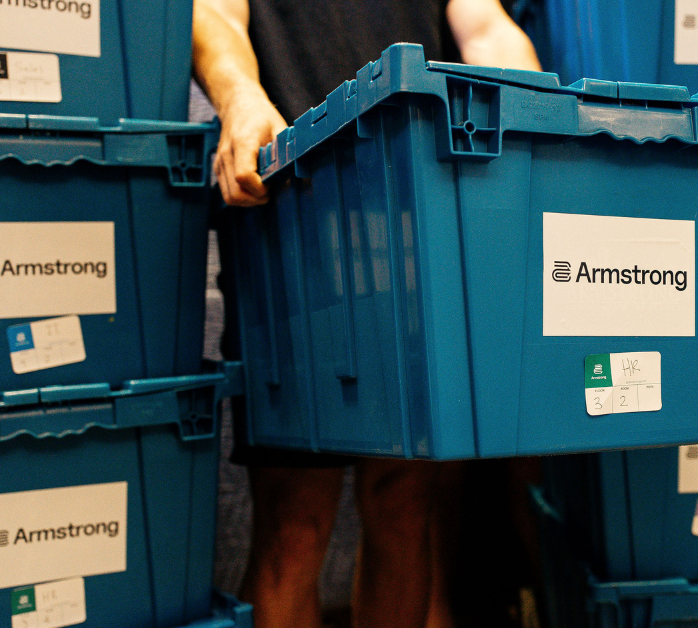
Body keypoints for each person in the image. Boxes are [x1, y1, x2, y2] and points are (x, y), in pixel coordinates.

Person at [190, 2, 540, 627]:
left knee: (405, 504)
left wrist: (540, 132)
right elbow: (214, 10)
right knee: (295, 521)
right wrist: (239, 94)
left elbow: (486, 30)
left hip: (411, 215)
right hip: (293, 213)